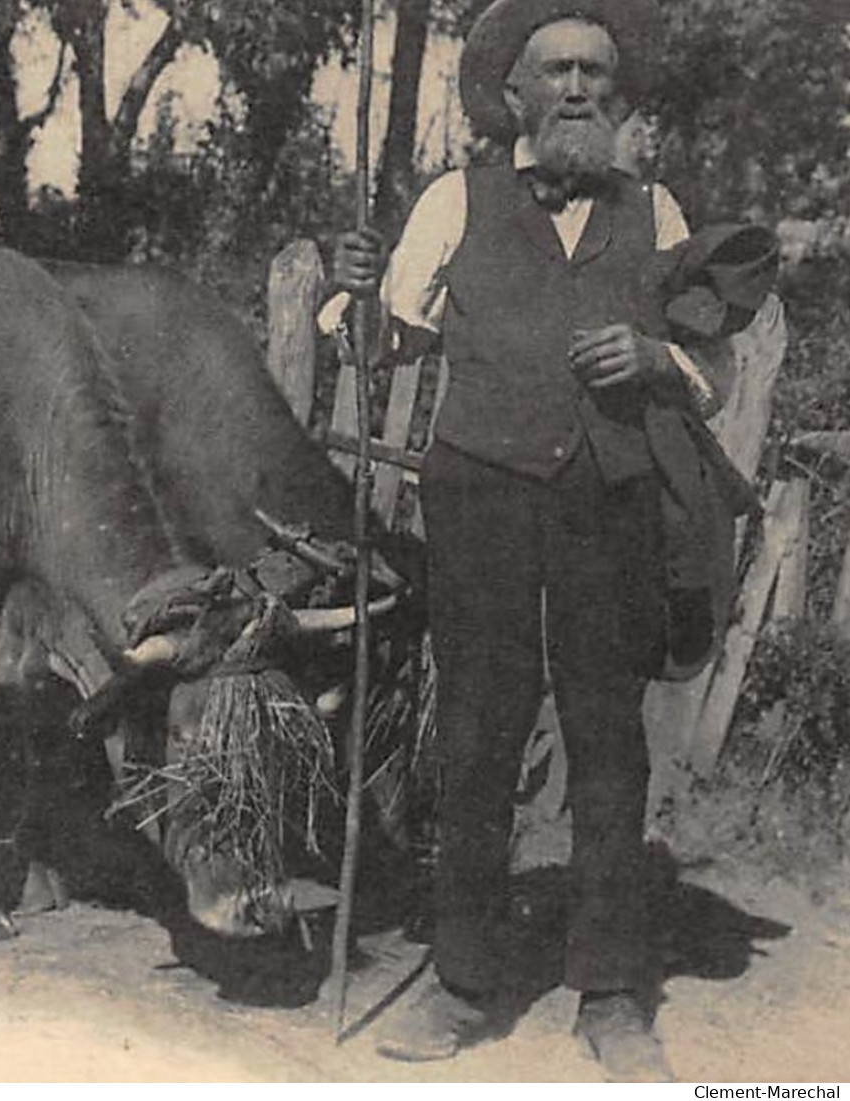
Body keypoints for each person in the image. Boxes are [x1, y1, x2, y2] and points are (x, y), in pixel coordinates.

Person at [331, 0, 738, 1082]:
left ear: (618, 96)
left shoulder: (654, 212)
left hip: (607, 503)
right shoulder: (450, 200)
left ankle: (608, 993)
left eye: (593, 73)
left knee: (608, 743)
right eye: (552, 69)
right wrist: (354, 296)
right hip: (480, 497)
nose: (573, 88)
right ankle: (463, 982)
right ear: (509, 93)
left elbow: (709, 372)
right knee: (475, 733)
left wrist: (652, 356)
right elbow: (387, 342)